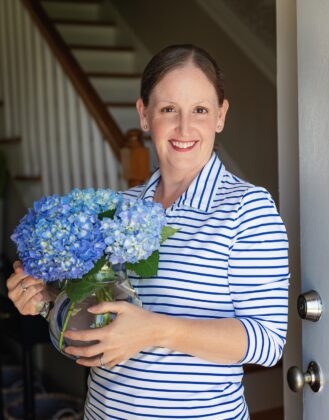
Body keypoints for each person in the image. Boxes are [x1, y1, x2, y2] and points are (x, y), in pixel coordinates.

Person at [7, 44, 290, 419]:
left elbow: (268, 342)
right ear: (144, 114)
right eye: (168, 109)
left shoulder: (247, 208)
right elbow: (96, 315)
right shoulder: (117, 208)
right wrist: (45, 301)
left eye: (200, 110)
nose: (185, 128)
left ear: (221, 116)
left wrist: (157, 331)